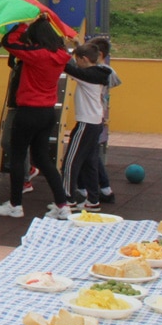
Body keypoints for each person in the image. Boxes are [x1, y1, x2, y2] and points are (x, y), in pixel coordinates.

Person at [0, 16, 73, 219]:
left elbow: (8, 42)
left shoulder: (37, 55)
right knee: (43, 159)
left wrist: (21, 24)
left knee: (18, 158)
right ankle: (62, 204)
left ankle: (15, 205)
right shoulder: (61, 55)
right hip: (47, 113)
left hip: (28, 111)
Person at [61, 43, 119, 211]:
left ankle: (67, 200)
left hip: (86, 124)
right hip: (95, 123)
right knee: (89, 162)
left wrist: (57, 47)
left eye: (77, 60)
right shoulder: (100, 72)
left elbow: (65, 66)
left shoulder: (87, 75)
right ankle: (93, 201)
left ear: (84, 59)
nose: (76, 63)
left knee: (70, 162)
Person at [90, 37, 120, 204]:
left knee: (87, 155)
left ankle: (92, 192)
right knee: (90, 153)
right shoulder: (105, 70)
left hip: (93, 117)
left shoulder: (100, 71)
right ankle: (104, 189)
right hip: (97, 115)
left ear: (99, 54)